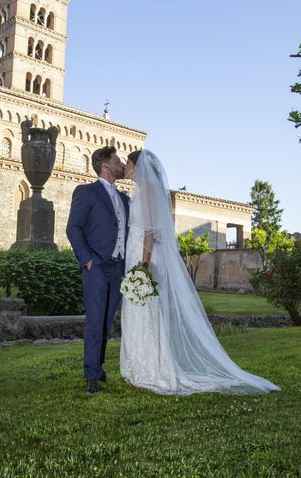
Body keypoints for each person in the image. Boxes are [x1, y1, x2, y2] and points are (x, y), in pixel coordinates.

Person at [120, 149, 280, 395]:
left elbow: (150, 232)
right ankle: (138, 367)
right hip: (134, 255)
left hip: (143, 258)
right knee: (139, 311)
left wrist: (143, 265)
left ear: (137, 165)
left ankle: (153, 369)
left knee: (148, 312)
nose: (125, 166)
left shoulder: (150, 189)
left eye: (128, 163)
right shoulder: (139, 191)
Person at [66, 146, 130, 394]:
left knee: (106, 322)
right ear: (106, 165)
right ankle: (91, 375)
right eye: (117, 161)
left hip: (118, 268)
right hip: (97, 266)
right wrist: (87, 260)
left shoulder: (125, 198)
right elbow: (73, 229)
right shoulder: (86, 192)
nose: (122, 164)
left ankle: (99, 366)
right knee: (94, 321)